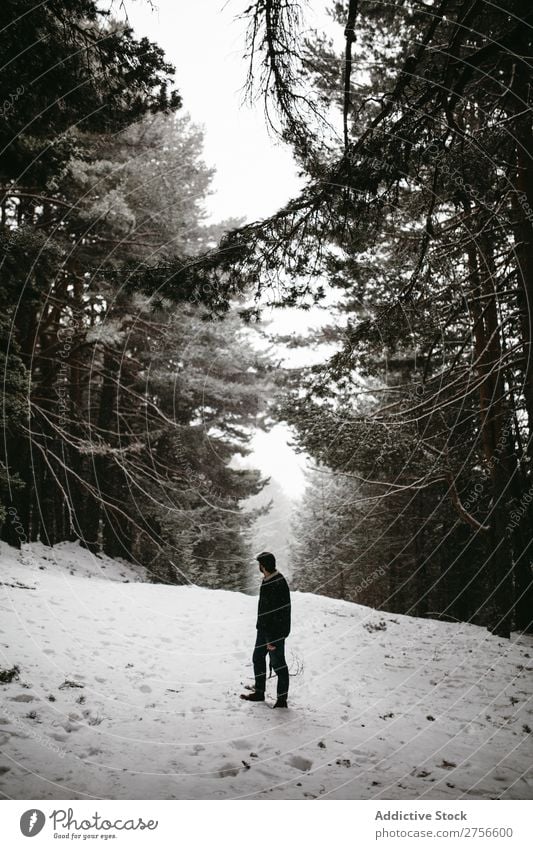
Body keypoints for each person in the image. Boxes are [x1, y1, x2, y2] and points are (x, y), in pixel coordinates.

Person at [240, 551, 291, 708]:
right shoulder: (269, 580)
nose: (258, 567)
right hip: (264, 631)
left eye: (259, 564)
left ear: (263, 566)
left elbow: (278, 615)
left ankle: (282, 701)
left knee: (278, 665)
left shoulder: (277, 583)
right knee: (258, 658)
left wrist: (272, 639)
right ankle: (259, 692)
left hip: (273, 633)